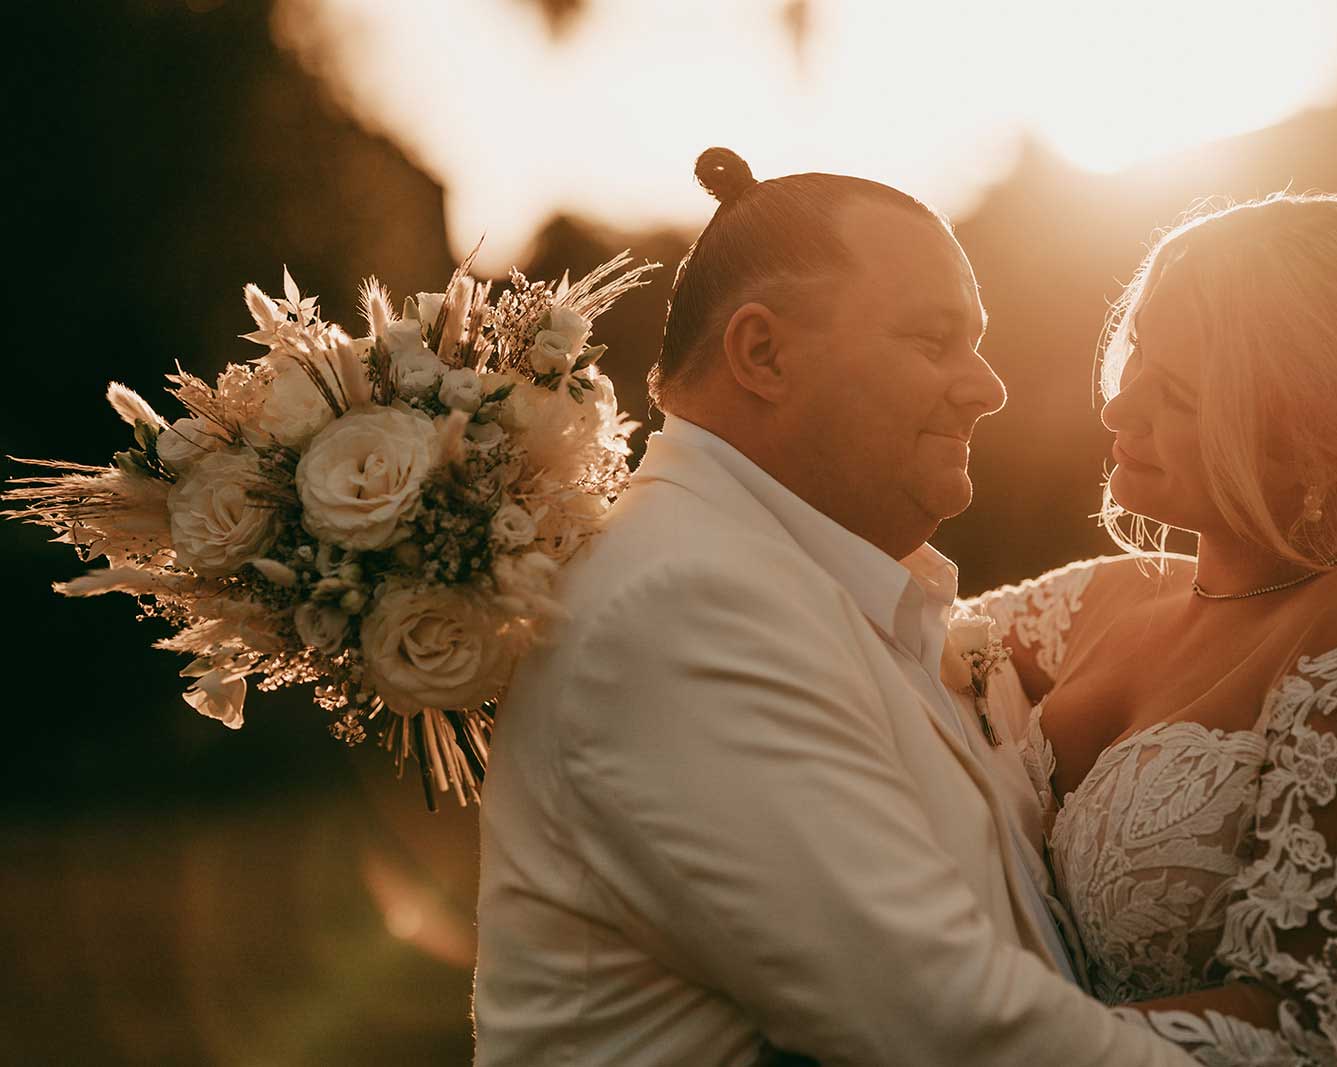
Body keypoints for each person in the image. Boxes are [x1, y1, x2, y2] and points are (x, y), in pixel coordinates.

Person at [473, 148, 1200, 1066]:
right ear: (762, 352)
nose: (988, 387)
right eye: (935, 341)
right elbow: (942, 1020)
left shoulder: (812, 579)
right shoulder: (680, 604)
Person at [964, 193, 1337, 1065]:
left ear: (1307, 430)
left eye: (1176, 390)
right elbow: (892, 639)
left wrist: (944, 1029)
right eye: (1136, 350)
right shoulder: (1107, 599)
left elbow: (1314, 1031)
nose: (1118, 409)